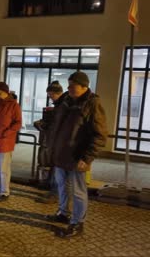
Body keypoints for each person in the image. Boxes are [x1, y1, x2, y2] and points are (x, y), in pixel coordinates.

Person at [45, 71, 108, 238]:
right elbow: (56, 125)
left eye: (72, 86)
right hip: (61, 154)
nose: (69, 88)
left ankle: (77, 222)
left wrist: (87, 158)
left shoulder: (92, 104)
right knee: (62, 186)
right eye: (69, 85)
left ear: (84, 86)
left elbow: (100, 135)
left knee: (78, 191)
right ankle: (63, 213)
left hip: (77, 157)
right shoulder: (66, 100)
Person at [34, 81, 68, 203]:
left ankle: (56, 195)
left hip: (59, 143)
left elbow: (57, 125)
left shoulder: (63, 105)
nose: (50, 98)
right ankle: (54, 193)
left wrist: (43, 126)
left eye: (51, 95)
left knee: (58, 170)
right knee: (55, 169)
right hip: (57, 142)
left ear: (57, 93)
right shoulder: (61, 104)